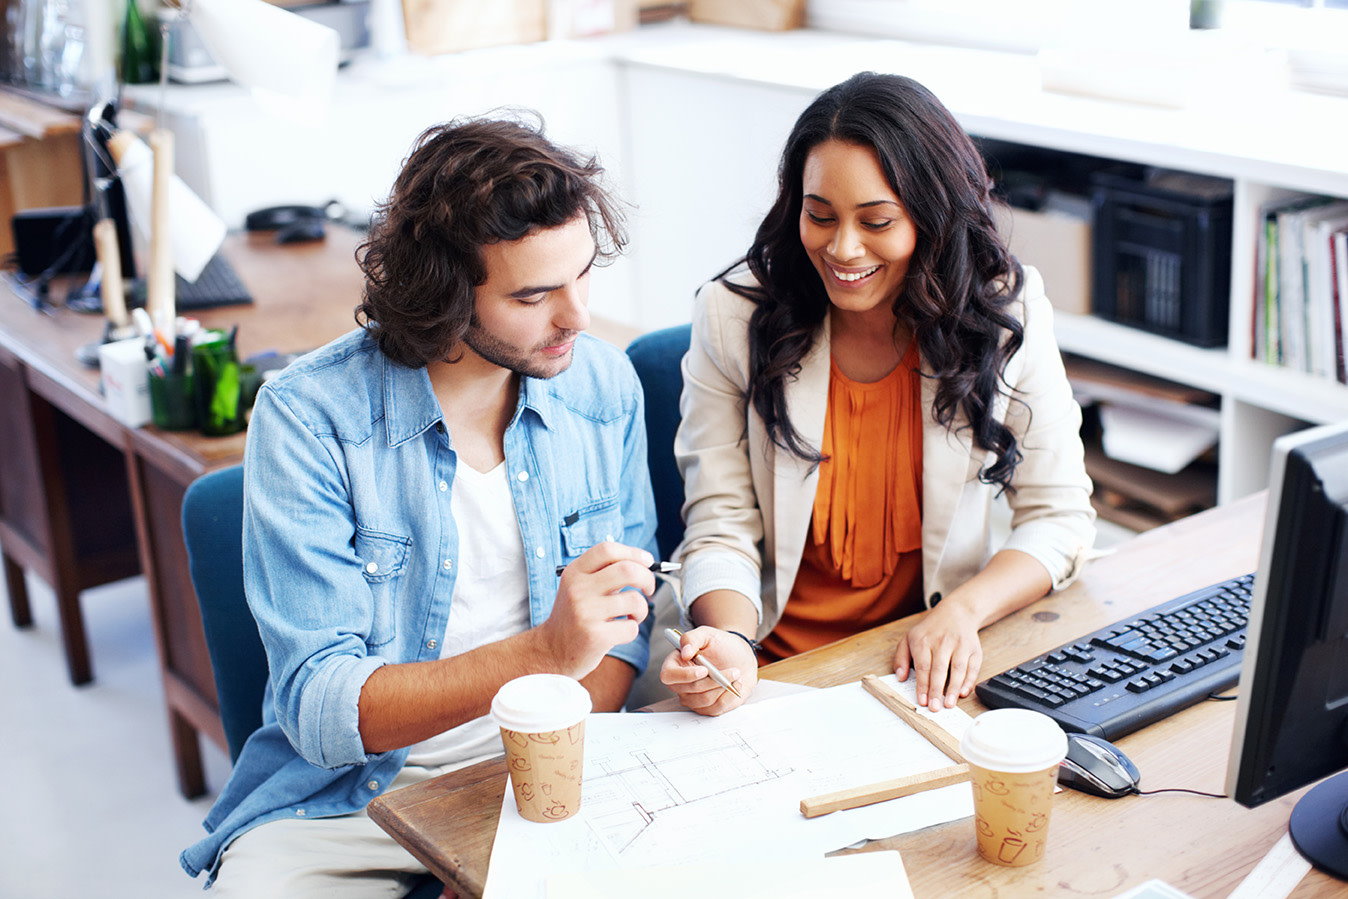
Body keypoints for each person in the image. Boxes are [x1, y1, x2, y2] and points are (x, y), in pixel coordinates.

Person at [181, 115, 659, 895]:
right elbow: (321, 706)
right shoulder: (309, 418)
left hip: (560, 751)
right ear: (447, 293)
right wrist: (544, 654)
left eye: (582, 275)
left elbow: (625, 626)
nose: (576, 316)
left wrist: (547, 759)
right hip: (354, 797)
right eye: (534, 294)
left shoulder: (602, 385)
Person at [660, 72, 1096, 718]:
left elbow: (1059, 515)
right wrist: (731, 642)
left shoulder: (1007, 310)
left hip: (915, 667)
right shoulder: (731, 315)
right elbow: (720, 521)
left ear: (934, 215)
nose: (842, 248)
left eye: (876, 221)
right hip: (768, 668)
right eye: (819, 215)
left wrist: (964, 611)